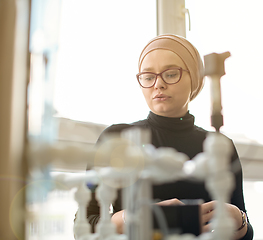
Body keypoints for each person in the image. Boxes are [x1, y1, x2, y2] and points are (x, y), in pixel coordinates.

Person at [86, 34, 253, 240]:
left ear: (195, 77)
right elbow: (86, 225)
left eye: (171, 74)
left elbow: (245, 235)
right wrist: (137, 217)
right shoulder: (116, 138)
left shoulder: (219, 145)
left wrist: (239, 220)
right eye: (148, 77)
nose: (158, 84)